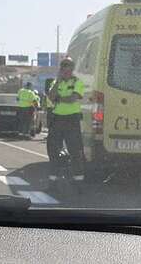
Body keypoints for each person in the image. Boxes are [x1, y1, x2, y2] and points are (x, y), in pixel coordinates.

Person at [46, 57, 86, 186]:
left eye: (68, 68)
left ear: (72, 69)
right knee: (53, 150)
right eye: (63, 68)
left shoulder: (77, 82)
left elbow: (72, 99)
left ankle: (78, 181)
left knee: (75, 151)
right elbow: (51, 97)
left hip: (72, 120)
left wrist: (58, 98)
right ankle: (53, 181)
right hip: (57, 119)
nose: (65, 71)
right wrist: (57, 82)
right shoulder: (57, 83)